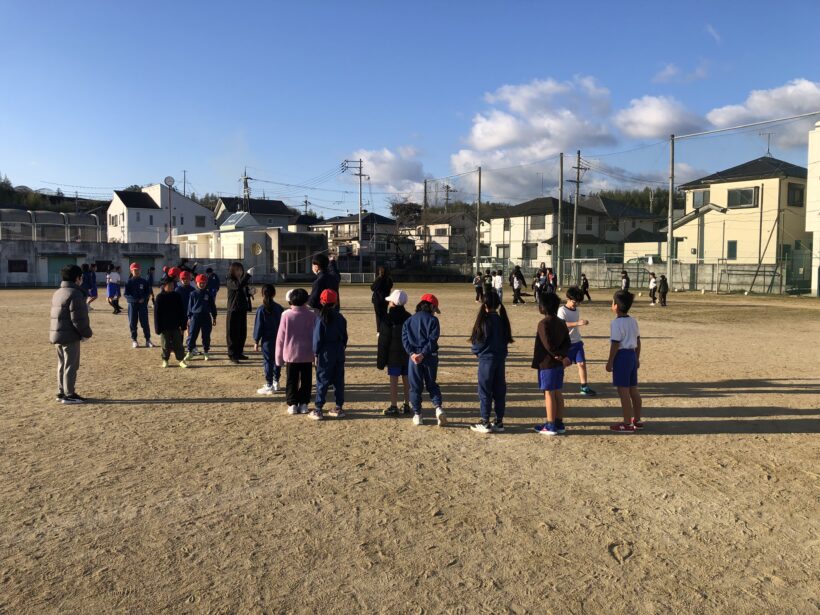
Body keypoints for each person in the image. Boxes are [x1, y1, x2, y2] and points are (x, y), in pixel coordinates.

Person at [469, 292, 513, 433]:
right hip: (500, 359)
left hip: (487, 360)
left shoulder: (484, 321)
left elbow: (479, 342)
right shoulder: (502, 320)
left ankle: (485, 421)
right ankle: (499, 421)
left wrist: (476, 351)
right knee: (499, 390)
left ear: (485, 305)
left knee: (485, 390)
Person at [50, 264, 93, 404]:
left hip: (57, 333)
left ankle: (61, 392)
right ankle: (69, 394)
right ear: (77, 278)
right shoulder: (75, 293)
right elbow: (78, 318)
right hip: (70, 334)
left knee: (61, 364)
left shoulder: (58, 292)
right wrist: (86, 333)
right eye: (81, 277)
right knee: (71, 365)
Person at [402, 293, 445, 427]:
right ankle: (438, 408)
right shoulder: (433, 320)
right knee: (432, 384)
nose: (434, 312)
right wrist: (423, 353)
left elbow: (405, 339)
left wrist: (412, 353)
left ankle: (417, 414)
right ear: (431, 306)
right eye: (434, 309)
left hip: (414, 358)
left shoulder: (409, 320)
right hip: (430, 356)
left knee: (415, 387)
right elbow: (433, 340)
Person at [532, 293, 572, 436]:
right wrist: (564, 356)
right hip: (559, 364)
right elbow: (567, 342)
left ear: (543, 307)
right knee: (557, 392)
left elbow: (548, 345)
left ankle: (550, 424)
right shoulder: (561, 322)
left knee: (548, 393)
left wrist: (558, 356)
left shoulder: (543, 324)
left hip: (548, 363)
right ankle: (559, 422)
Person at [276, 288, 317, 415]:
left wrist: (278, 357)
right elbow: (316, 336)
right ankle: (304, 403)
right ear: (306, 300)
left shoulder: (286, 315)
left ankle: (292, 404)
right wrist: (316, 355)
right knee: (306, 380)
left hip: (291, 354)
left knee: (291, 380)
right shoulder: (312, 315)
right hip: (307, 353)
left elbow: (280, 338)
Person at [606, 290, 642, 433]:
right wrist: (637, 358)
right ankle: (637, 420)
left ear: (616, 306)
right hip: (632, 355)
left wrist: (610, 361)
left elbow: (615, 344)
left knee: (623, 392)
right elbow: (638, 341)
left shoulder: (616, 323)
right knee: (633, 389)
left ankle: (627, 423)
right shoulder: (633, 321)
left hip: (622, 357)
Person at [312, 289, 348, 420]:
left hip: (325, 352)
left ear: (321, 302)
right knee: (339, 380)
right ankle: (338, 406)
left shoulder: (320, 318)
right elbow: (344, 337)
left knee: (322, 379)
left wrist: (316, 353)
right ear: (336, 302)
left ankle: (318, 409)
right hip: (338, 350)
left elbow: (317, 338)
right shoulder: (340, 318)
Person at [377, 289, 412, 415]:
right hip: (407, 354)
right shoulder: (409, 317)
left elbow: (383, 341)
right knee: (407, 379)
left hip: (393, 356)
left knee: (393, 380)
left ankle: (393, 405)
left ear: (392, 303)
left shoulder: (387, 319)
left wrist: (381, 361)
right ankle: (407, 404)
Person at [558, 287, 596, 396]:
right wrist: (577, 323)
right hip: (567, 344)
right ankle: (556, 385)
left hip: (577, 342)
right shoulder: (562, 310)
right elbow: (562, 325)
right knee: (563, 365)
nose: (576, 304)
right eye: (575, 302)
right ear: (568, 298)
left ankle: (584, 387)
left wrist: (581, 322)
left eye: (578, 303)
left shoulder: (576, 310)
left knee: (582, 364)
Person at [254, 284, 284, 395]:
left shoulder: (261, 309)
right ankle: (276, 381)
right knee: (277, 360)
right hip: (279, 339)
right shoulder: (279, 308)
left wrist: (256, 341)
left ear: (262, 294)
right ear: (274, 294)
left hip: (267, 340)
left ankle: (269, 384)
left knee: (268, 361)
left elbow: (258, 326)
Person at [154, 276, 188, 368]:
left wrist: (183, 325)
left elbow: (181, 311)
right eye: (169, 285)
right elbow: (157, 314)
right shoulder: (160, 297)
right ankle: (165, 360)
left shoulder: (177, 296)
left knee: (178, 344)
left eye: (172, 285)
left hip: (176, 325)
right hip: (164, 326)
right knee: (165, 344)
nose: (171, 287)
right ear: (164, 286)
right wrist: (157, 328)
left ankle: (181, 360)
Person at [226, 262, 254, 363]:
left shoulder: (242, 281)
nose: (239, 272)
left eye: (241, 270)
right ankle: (232, 354)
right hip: (233, 310)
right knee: (232, 333)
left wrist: (250, 292)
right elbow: (238, 286)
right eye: (237, 270)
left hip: (242, 309)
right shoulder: (230, 280)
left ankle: (239, 352)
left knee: (242, 333)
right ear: (232, 271)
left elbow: (243, 292)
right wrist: (248, 275)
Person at [185, 274, 217, 362]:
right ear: (196, 283)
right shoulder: (193, 294)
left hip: (206, 316)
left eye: (204, 283)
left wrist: (214, 316)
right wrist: (189, 317)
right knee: (192, 335)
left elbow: (212, 306)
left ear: (206, 283)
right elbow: (190, 306)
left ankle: (206, 352)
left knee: (206, 335)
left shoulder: (208, 294)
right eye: (200, 283)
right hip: (195, 317)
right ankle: (189, 351)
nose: (202, 284)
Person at [124, 263, 154, 349]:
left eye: (138, 270)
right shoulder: (128, 282)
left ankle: (148, 340)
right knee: (133, 322)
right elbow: (126, 294)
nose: (136, 271)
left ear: (140, 270)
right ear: (131, 271)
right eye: (134, 270)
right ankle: (134, 340)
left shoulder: (144, 281)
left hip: (142, 305)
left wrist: (143, 298)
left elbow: (147, 292)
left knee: (145, 322)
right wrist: (135, 300)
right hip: (132, 305)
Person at [370, 265, 393, 332]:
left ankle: (379, 330)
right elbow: (390, 286)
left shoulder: (379, 279)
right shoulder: (389, 279)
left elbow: (372, 288)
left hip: (378, 299)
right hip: (385, 299)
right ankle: (385, 328)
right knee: (384, 314)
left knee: (378, 315)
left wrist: (378, 278)